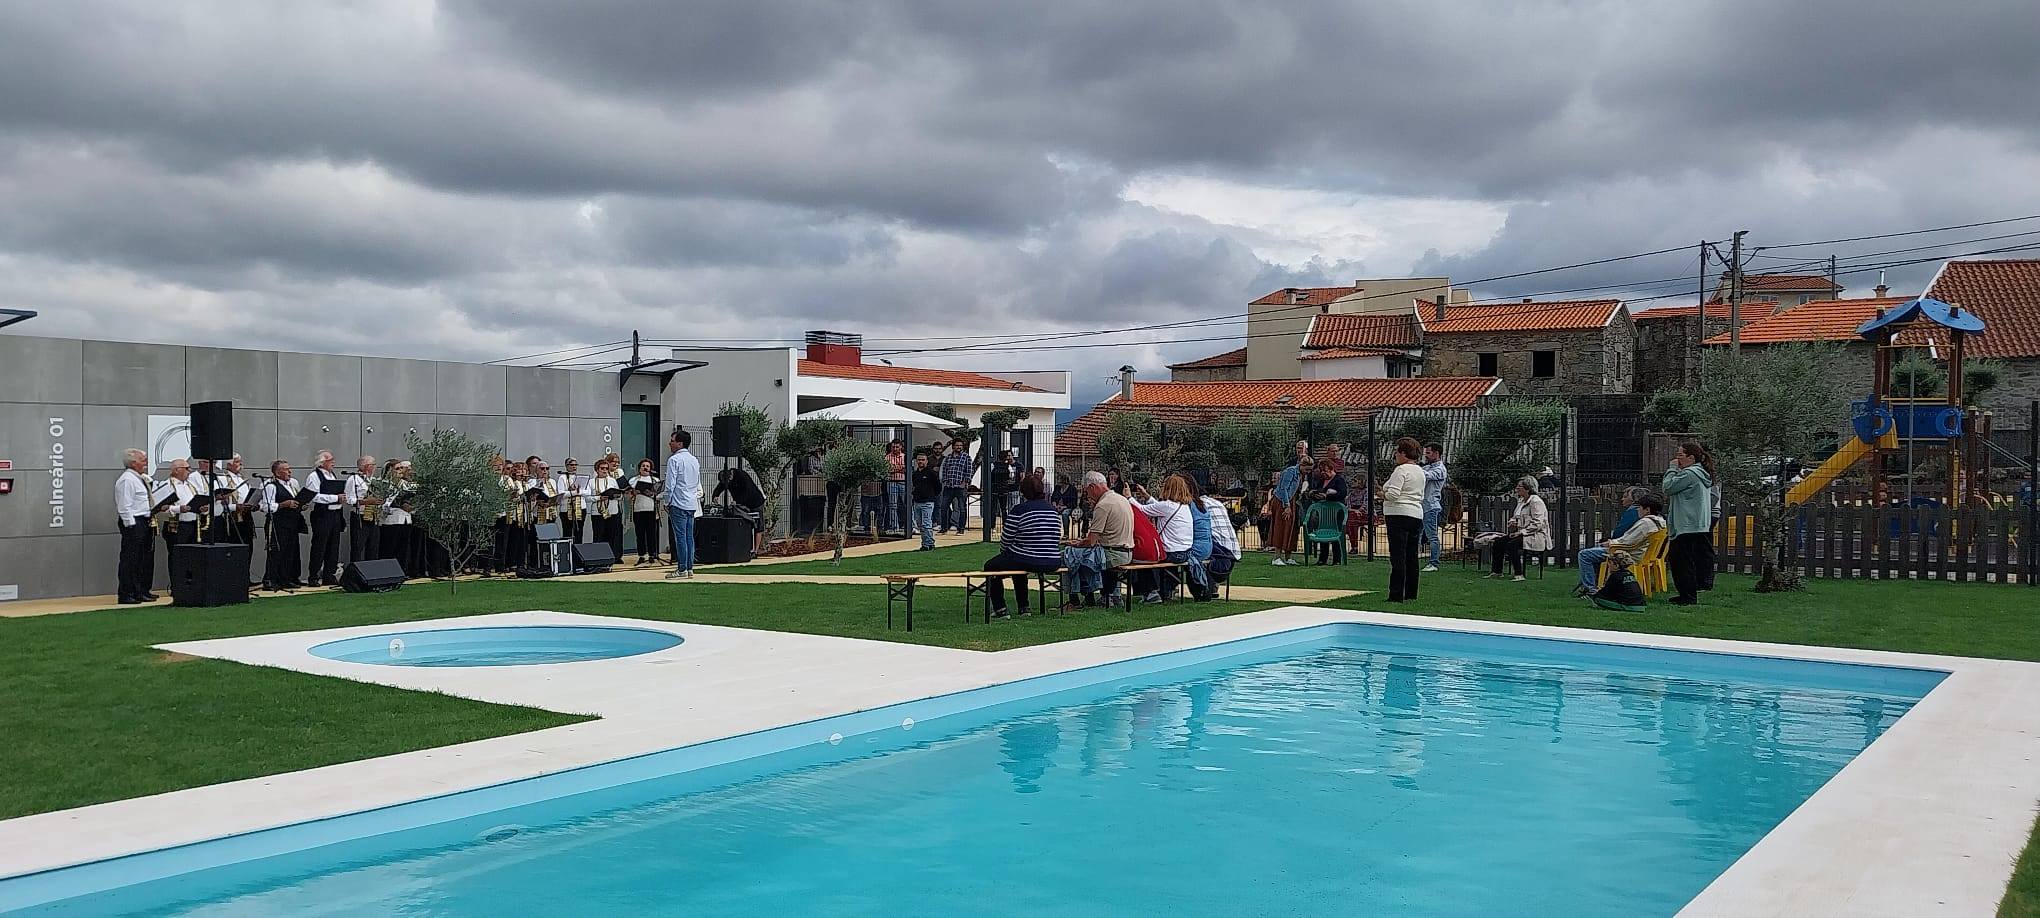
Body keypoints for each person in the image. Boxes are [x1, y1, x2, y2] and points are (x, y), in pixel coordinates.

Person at [981, 475, 1064, 618]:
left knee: (991, 566)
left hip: (1026, 558)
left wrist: (1006, 552)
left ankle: (1001, 609)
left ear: (1023, 491)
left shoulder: (1019, 510)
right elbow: (1057, 535)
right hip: (1052, 559)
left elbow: (1006, 538)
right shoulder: (1053, 510)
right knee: (1019, 564)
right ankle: (1024, 607)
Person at [1066, 471, 1134, 607]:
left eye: (1087, 492)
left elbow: (1091, 541)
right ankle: (1109, 595)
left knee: (1069, 555)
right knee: (1081, 556)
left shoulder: (1103, 505)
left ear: (1092, 487)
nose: (1088, 496)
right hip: (1127, 553)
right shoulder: (1122, 499)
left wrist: (1075, 544)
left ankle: (1079, 596)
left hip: (1112, 554)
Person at [1132, 474, 1203, 603]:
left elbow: (1142, 510)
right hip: (1185, 552)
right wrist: (1147, 496)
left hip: (1172, 552)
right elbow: (1159, 507)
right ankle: (1165, 590)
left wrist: (1129, 498)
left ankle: (1150, 592)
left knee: (1143, 558)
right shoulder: (1183, 506)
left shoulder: (1167, 506)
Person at [1575, 494, 1663, 596]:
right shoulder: (1660, 521)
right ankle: (1592, 584)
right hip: (1641, 553)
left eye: (1639, 507)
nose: (1637, 510)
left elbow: (1628, 542)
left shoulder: (1645, 523)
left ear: (1647, 510)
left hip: (1627, 554)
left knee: (1584, 554)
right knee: (1594, 553)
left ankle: (1590, 589)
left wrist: (1610, 543)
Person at [1663, 440, 1717, 606]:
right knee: (1686, 560)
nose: (1677, 458)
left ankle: (1687, 596)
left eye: (1680, 455)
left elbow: (1668, 487)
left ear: (1691, 458)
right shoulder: (1701, 473)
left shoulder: (1689, 474)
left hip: (1686, 524)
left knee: (1681, 561)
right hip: (1696, 523)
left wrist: (1672, 469)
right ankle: (1688, 593)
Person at [1380, 438, 1426, 602]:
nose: (1395, 455)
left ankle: (1396, 594)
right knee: (1411, 555)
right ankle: (1411, 593)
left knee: (1398, 556)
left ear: (1403, 453)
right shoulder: (1420, 471)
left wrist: (1382, 494)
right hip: (1416, 514)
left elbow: (1393, 494)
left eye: (1397, 452)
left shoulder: (1400, 470)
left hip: (1398, 514)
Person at [1485, 476, 1550, 581]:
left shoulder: (1536, 502)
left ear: (1528, 489)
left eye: (1520, 486)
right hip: (1520, 534)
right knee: (1499, 542)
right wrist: (1512, 523)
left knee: (1512, 544)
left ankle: (1519, 574)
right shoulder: (1521, 501)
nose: (1517, 488)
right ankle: (1497, 572)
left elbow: (1538, 523)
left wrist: (1521, 532)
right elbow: (1516, 516)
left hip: (1535, 535)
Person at [114, 448, 157, 604]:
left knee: (141, 559)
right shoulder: (127, 480)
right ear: (133, 463)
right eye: (143, 460)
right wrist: (131, 526)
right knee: (130, 559)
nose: (146, 462)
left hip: (144, 520)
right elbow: (124, 505)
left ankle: (139, 591)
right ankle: (126, 593)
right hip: (134, 522)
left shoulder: (140, 478)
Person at [154, 458, 201, 588]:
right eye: (186, 468)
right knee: (177, 557)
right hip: (177, 526)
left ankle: (190, 584)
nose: (189, 471)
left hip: (192, 524)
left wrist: (200, 507)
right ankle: (177, 585)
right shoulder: (166, 485)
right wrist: (178, 509)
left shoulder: (189, 485)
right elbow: (161, 507)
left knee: (192, 556)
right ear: (176, 470)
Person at [261, 459, 307, 590]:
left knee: (290, 552)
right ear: (277, 473)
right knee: (276, 551)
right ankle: (270, 579)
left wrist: (301, 505)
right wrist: (283, 504)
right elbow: (266, 507)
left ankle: (286, 578)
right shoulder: (271, 486)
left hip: (292, 523)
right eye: (286, 470)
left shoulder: (293, 484)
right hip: (278, 523)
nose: (289, 472)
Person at [303, 450, 346, 586]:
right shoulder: (314, 476)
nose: (333, 462)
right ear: (322, 462)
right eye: (330, 460)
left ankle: (329, 575)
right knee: (319, 546)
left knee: (333, 547)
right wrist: (335, 498)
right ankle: (314, 576)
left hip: (335, 514)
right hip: (322, 515)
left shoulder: (332, 475)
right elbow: (314, 496)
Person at [664, 428, 701, 579]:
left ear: (679, 444)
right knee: (689, 537)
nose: (670, 443)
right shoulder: (694, 460)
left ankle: (682, 568)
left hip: (678, 502)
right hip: (691, 502)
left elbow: (670, 484)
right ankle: (689, 567)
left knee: (680, 537)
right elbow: (696, 482)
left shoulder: (674, 460)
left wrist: (667, 501)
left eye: (672, 441)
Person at [712, 465, 768, 552]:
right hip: (741, 504)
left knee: (758, 526)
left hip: (755, 502)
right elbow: (720, 487)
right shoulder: (726, 479)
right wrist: (715, 495)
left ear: (731, 476)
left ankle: (756, 550)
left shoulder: (742, 476)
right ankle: (745, 547)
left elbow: (747, 490)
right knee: (743, 522)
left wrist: (737, 501)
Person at [1266, 456, 1311, 565]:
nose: (1308, 472)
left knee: (1292, 527)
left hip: (1292, 500)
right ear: (1301, 465)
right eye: (1307, 469)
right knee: (1281, 527)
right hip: (1282, 500)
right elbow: (1284, 489)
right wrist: (1286, 506)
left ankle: (1288, 556)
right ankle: (1277, 557)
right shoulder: (1290, 472)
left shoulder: (1300, 474)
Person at [1199, 482, 1239, 593]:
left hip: (1217, 552)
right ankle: (1212, 585)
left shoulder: (1196, 505)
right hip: (1233, 551)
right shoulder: (1218, 503)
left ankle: (1169, 588)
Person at [590, 457, 627, 560]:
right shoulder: (592, 482)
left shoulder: (612, 480)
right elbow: (587, 497)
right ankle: (599, 557)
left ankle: (614, 557)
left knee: (612, 535)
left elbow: (619, 495)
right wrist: (599, 498)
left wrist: (615, 495)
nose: (605, 470)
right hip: (598, 512)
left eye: (606, 468)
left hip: (612, 511)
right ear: (597, 470)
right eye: (602, 468)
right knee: (599, 535)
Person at [345, 455, 379, 566]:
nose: (375, 467)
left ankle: (372, 570)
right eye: (373, 465)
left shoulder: (373, 480)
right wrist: (365, 501)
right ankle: (356, 571)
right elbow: (349, 499)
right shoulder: (354, 479)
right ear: (366, 466)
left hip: (373, 515)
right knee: (358, 547)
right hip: (359, 515)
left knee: (373, 546)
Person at [1420, 442, 1448, 571]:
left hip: (1431, 507)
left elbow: (1426, 476)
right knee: (1417, 535)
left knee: (1432, 536)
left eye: (1428, 453)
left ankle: (1434, 563)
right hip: (1421, 506)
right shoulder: (1427, 467)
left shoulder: (1440, 469)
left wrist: (1413, 470)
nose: (1426, 455)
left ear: (1436, 453)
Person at [629, 458, 662, 565]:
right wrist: (634, 492)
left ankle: (652, 554)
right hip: (638, 509)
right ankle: (641, 555)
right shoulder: (634, 480)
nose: (645, 468)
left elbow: (660, 494)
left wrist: (653, 495)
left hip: (651, 509)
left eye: (647, 466)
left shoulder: (655, 480)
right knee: (640, 534)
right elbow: (629, 492)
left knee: (651, 533)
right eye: (643, 466)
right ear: (639, 468)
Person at [938, 438, 974, 534]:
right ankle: (944, 528)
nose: (959, 447)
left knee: (961, 508)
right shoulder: (948, 457)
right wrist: (945, 481)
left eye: (960, 445)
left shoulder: (966, 457)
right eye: (957, 445)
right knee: (943, 508)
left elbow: (969, 471)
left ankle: (961, 528)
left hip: (960, 487)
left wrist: (965, 482)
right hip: (949, 487)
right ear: (953, 446)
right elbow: (944, 470)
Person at [910, 451, 941, 550]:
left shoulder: (931, 473)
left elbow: (938, 487)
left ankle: (927, 544)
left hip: (928, 502)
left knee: (926, 523)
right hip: (917, 502)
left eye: (923, 460)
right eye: (919, 460)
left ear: (927, 461)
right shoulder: (915, 474)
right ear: (916, 461)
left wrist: (931, 495)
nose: (921, 462)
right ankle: (927, 543)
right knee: (920, 524)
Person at [985, 449, 1021, 534]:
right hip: (1004, 490)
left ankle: (992, 526)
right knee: (1004, 509)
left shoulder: (993, 465)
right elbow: (1011, 476)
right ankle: (1005, 525)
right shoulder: (1008, 466)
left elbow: (989, 475)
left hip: (994, 489)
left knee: (993, 509)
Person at [556, 458, 588, 544]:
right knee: (567, 531)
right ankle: (568, 550)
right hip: (566, 509)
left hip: (580, 508)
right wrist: (574, 492)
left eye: (575, 465)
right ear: (566, 466)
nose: (574, 467)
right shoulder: (562, 478)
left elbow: (587, 492)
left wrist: (578, 492)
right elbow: (561, 493)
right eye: (571, 465)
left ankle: (578, 549)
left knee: (579, 531)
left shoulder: (580, 477)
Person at [884, 440, 908, 535]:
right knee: (892, 505)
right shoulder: (887, 457)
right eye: (893, 447)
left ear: (901, 447)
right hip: (891, 482)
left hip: (903, 482)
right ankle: (894, 527)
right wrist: (899, 468)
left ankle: (911, 526)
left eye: (897, 447)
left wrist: (894, 469)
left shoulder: (905, 456)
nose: (895, 449)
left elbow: (906, 469)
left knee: (907, 503)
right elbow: (887, 469)